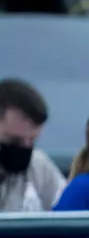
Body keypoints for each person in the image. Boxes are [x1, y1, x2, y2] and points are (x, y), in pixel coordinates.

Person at [0, 79, 66, 213]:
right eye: (15, 140)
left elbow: (68, 212)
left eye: (32, 140)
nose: (24, 147)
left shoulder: (37, 165)